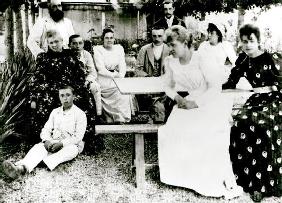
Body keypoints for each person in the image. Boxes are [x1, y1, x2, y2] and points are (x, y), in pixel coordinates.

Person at [158, 25, 243, 199]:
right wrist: (177, 98)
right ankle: (182, 176)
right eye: (169, 45)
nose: (170, 49)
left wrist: (195, 104)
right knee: (172, 129)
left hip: (210, 101)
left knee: (203, 131)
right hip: (188, 100)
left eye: (173, 45)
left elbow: (215, 87)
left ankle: (203, 178)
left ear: (185, 42)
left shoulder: (201, 58)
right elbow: (167, 86)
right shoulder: (170, 61)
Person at [222, 24, 282, 202]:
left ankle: (264, 184)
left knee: (263, 126)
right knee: (240, 123)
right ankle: (248, 181)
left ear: (259, 41)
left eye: (251, 41)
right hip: (255, 100)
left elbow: (280, 81)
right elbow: (231, 81)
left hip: (274, 99)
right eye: (244, 41)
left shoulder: (271, 58)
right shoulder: (242, 59)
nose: (247, 45)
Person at [2, 86, 87, 179]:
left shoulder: (80, 114)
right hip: (53, 142)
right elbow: (46, 129)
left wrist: (62, 144)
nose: (65, 98)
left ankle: (41, 162)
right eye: (62, 95)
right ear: (59, 97)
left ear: (74, 96)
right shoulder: (55, 112)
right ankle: (21, 168)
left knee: (70, 151)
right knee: (38, 147)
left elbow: (78, 137)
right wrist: (46, 140)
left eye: (68, 95)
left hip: (69, 144)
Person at [29, 29, 95, 143]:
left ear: (62, 41)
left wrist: (78, 87)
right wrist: (33, 98)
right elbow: (36, 80)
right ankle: (49, 139)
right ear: (48, 44)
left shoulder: (70, 55)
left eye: (56, 41)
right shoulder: (43, 58)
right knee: (45, 103)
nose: (54, 45)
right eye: (51, 43)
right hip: (49, 91)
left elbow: (79, 75)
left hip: (69, 88)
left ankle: (79, 139)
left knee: (84, 99)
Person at [93, 27, 134, 123]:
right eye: (106, 38)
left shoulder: (119, 48)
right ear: (102, 39)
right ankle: (110, 117)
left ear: (114, 39)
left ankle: (122, 118)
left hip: (117, 78)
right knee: (117, 91)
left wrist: (121, 76)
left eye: (111, 38)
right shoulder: (98, 50)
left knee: (124, 92)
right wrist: (115, 75)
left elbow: (122, 64)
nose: (109, 40)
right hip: (104, 79)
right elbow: (101, 69)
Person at [135, 26, 170, 123]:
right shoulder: (144, 50)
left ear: (164, 36)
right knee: (156, 101)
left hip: (165, 84)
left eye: (160, 36)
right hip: (149, 85)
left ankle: (156, 118)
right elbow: (138, 69)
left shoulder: (170, 50)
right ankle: (159, 119)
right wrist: (148, 77)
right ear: (151, 36)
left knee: (163, 99)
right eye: (154, 36)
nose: (157, 39)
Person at [69, 34, 102, 115]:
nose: (77, 46)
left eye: (80, 43)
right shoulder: (66, 55)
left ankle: (98, 114)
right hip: (71, 81)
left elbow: (92, 72)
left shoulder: (86, 54)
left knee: (95, 87)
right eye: (74, 43)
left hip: (85, 80)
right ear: (69, 45)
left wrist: (87, 81)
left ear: (83, 44)